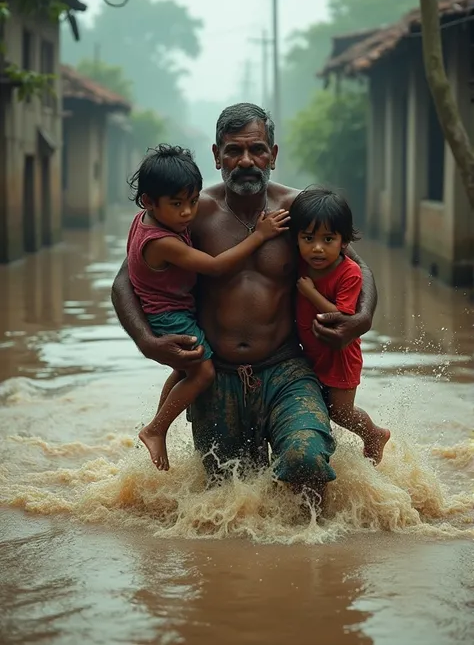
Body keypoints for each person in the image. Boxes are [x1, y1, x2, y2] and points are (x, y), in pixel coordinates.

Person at [112, 103, 378, 499]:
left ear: (273, 153)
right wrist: (147, 342)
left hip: (286, 369)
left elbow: (360, 268)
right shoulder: (189, 213)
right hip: (214, 377)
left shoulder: (299, 210)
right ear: (217, 155)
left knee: (306, 462)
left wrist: (362, 318)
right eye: (234, 150)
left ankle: (318, 560)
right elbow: (124, 282)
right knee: (226, 497)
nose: (246, 161)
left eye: (257, 149)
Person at [126, 144, 290, 470]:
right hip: (169, 315)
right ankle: (156, 428)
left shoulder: (146, 220)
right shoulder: (163, 241)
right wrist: (259, 236)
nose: (188, 213)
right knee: (201, 372)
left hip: (173, 311)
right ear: (148, 202)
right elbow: (214, 267)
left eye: (191, 201)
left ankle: (158, 425)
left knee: (184, 368)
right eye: (177, 205)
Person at [290, 186, 390, 465]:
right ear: (296, 239)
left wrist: (310, 292)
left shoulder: (349, 272)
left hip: (340, 355)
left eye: (328, 239)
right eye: (308, 238)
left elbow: (341, 317)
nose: (317, 247)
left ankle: (374, 434)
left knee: (341, 412)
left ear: (344, 241)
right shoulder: (301, 262)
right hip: (311, 351)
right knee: (320, 407)